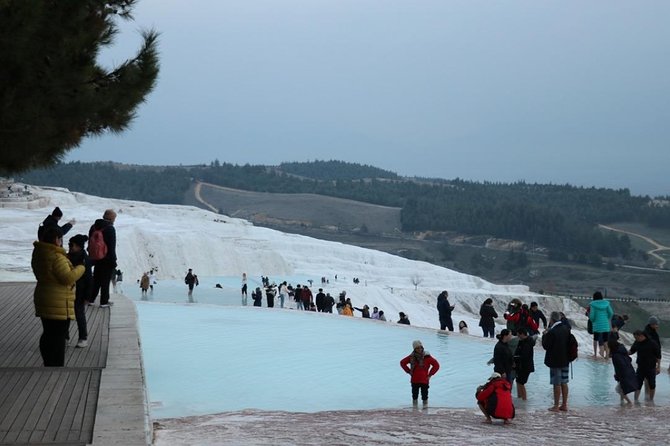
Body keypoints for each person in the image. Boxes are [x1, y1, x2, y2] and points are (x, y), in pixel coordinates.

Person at [31, 226, 85, 366]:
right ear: (56, 239)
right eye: (61, 239)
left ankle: (48, 362)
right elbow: (67, 278)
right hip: (58, 300)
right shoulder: (56, 257)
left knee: (48, 333)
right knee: (59, 335)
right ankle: (56, 366)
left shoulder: (39, 253)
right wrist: (81, 268)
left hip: (44, 296)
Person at [67, 234, 92, 349]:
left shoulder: (85, 259)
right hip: (68, 290)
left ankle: (83, 338)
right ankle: (65, 336)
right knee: (66, 313)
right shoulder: (67, 256)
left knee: (79, 314)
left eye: (72, 245)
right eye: (69, 244)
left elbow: (89, 279)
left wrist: (88, 296)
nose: (70, 247)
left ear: (79, 246)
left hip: (80, 291)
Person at [542, 311, 571, 412]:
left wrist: (544, 335)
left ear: (551, 319)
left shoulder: (552, 331)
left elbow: (546, 346)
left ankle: (555, 406)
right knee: (564, 382)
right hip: (565, 359)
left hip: (555, 361)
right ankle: (564, 405)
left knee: (556, 383)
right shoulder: (566, 329)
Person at [88, 209, 117, 308]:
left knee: (96, 278)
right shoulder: (110, 229)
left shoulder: (94, 227)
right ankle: (104, 302)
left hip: (95, 258)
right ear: (111, 218)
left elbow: (90, 243)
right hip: (106, 259)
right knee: (105, 281)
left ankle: (91, 299)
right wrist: (114, 261)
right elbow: (111, 247)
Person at [400, 340, 440, 408]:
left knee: (425, 396)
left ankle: (425, 409)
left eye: (421, 347)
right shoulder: (411, 357)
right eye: (417, 348)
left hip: (424, 380)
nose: (420, 349)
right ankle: (414, 409)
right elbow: (402, 363)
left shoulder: (427, 357)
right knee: (414, 396)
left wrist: (430, 374)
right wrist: (409, 371)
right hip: (414, 380)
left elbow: (436, 365)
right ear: (414, 349)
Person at [629, 329, 661, 402]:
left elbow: (658, 356)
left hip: (651, 367)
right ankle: (636, 400)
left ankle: (651, 400)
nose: (636, 339)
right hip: (640, 367)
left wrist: (658, 367)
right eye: (635, 338)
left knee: (652, 384)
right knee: (638, 384)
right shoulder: (637, 342)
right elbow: (631, 351)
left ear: (642, 336)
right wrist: (622, 352)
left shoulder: (652, 343)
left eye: (637, 338)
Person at [608, 336, 638, 405]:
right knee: (622, 389)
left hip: (624, 374)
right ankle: (622, 402)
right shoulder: (622, 350)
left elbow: (619, 366)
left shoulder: (616, 355)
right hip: (630, 371)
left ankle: (629, 402)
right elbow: (629, 360)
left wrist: (617, 375)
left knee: (618, 389)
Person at [589, 291, 614, 358]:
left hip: (597, 325)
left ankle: (595, 354)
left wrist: (593, 320)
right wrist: (607, 318)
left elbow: (592, 315)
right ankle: (607, 355)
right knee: (605, 340)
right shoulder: (606, 303)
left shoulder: (593, 304)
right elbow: (611, 313)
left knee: (595, 339)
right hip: (605, 324)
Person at [514, 327, 536, 400]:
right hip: (521, 365)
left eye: (519, 335)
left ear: (522, 334)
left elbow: (524, 356)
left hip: (525, 366)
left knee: (521, 382)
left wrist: (514, 357)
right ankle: (519, 397)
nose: (518, 337)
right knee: (518, 381)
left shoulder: (527, 343)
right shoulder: (522, 341)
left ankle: (524, 399)